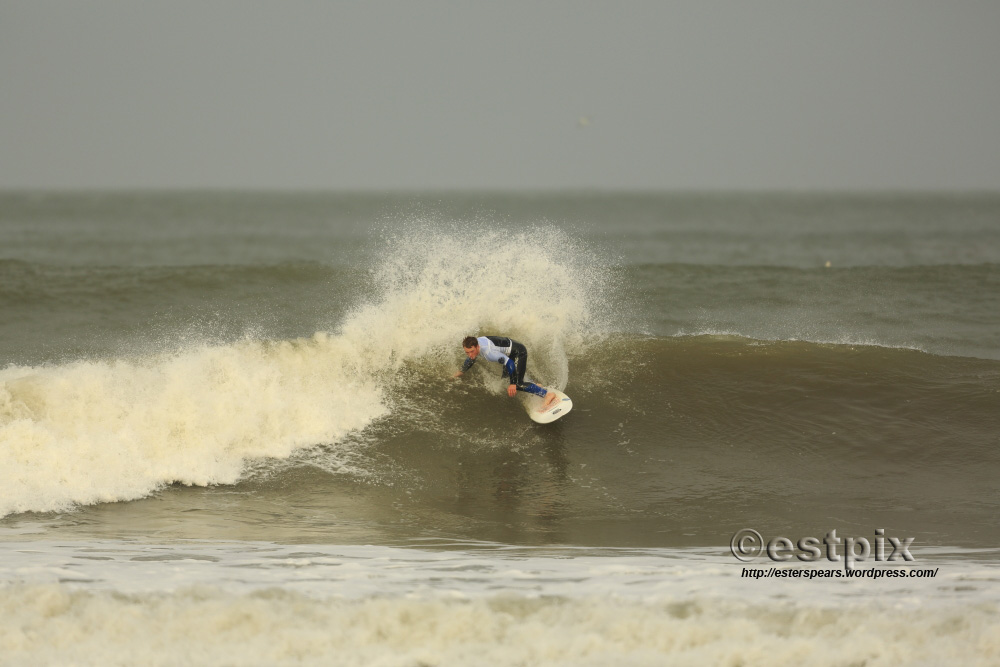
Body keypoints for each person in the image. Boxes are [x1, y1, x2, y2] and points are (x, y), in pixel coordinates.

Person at [453, 335, 559, 409]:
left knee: (517, 384)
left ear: (477, 346)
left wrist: (513, 384)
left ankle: (547, 394)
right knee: (506, 379)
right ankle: (535, 385)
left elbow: (510, 363)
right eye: (467, 352)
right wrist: (459, 373)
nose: (470, 355)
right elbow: (470, 359)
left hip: (519, 352)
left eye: (472, 351)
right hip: (510, 353)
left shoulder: (489, 353)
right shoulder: (475, 343)